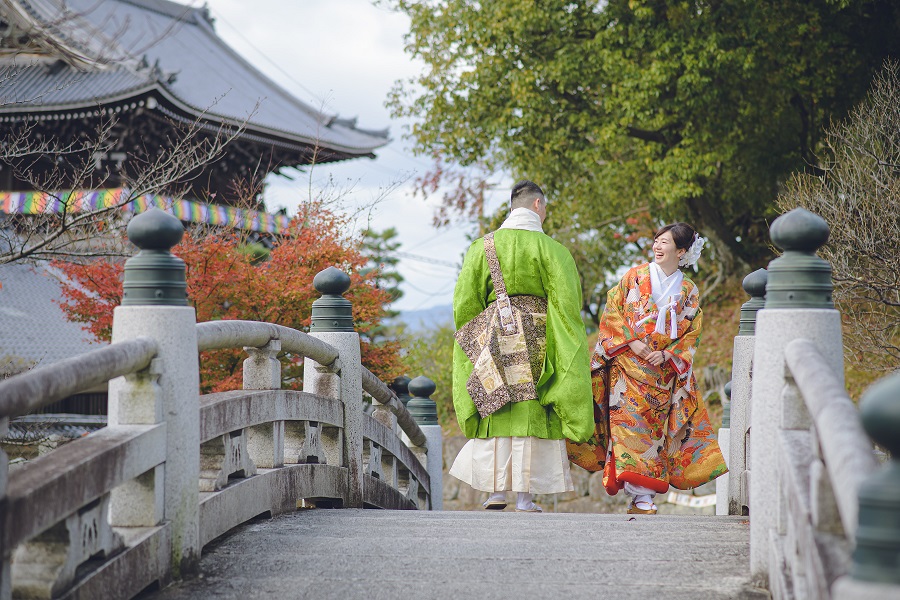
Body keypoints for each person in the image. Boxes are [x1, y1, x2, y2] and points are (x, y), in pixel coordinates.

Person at [448, 180, 594, 512]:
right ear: (538, 205)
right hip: (538, 338)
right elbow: (568, 307)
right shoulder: (552, 250)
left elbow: (464, 305)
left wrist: (478, 342)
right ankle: (525, 498)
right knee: (531, 409)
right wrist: (563, 345)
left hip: (494, 335)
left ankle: (495, 492)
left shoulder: (480, 248)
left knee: (495, 404)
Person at [567, 222, 727, 514]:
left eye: (665, 242)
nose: (657, 246)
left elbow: (693, 332)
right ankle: (641, 496)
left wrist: (668, 354)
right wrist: (633, 343)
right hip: (627, 367)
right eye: (656, 240)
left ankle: (643, 495)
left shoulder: (689, 290)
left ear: (681, 251)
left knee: (653, 435)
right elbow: (612, 311)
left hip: (662, 375)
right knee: (628, 430)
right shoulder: (634, 277)